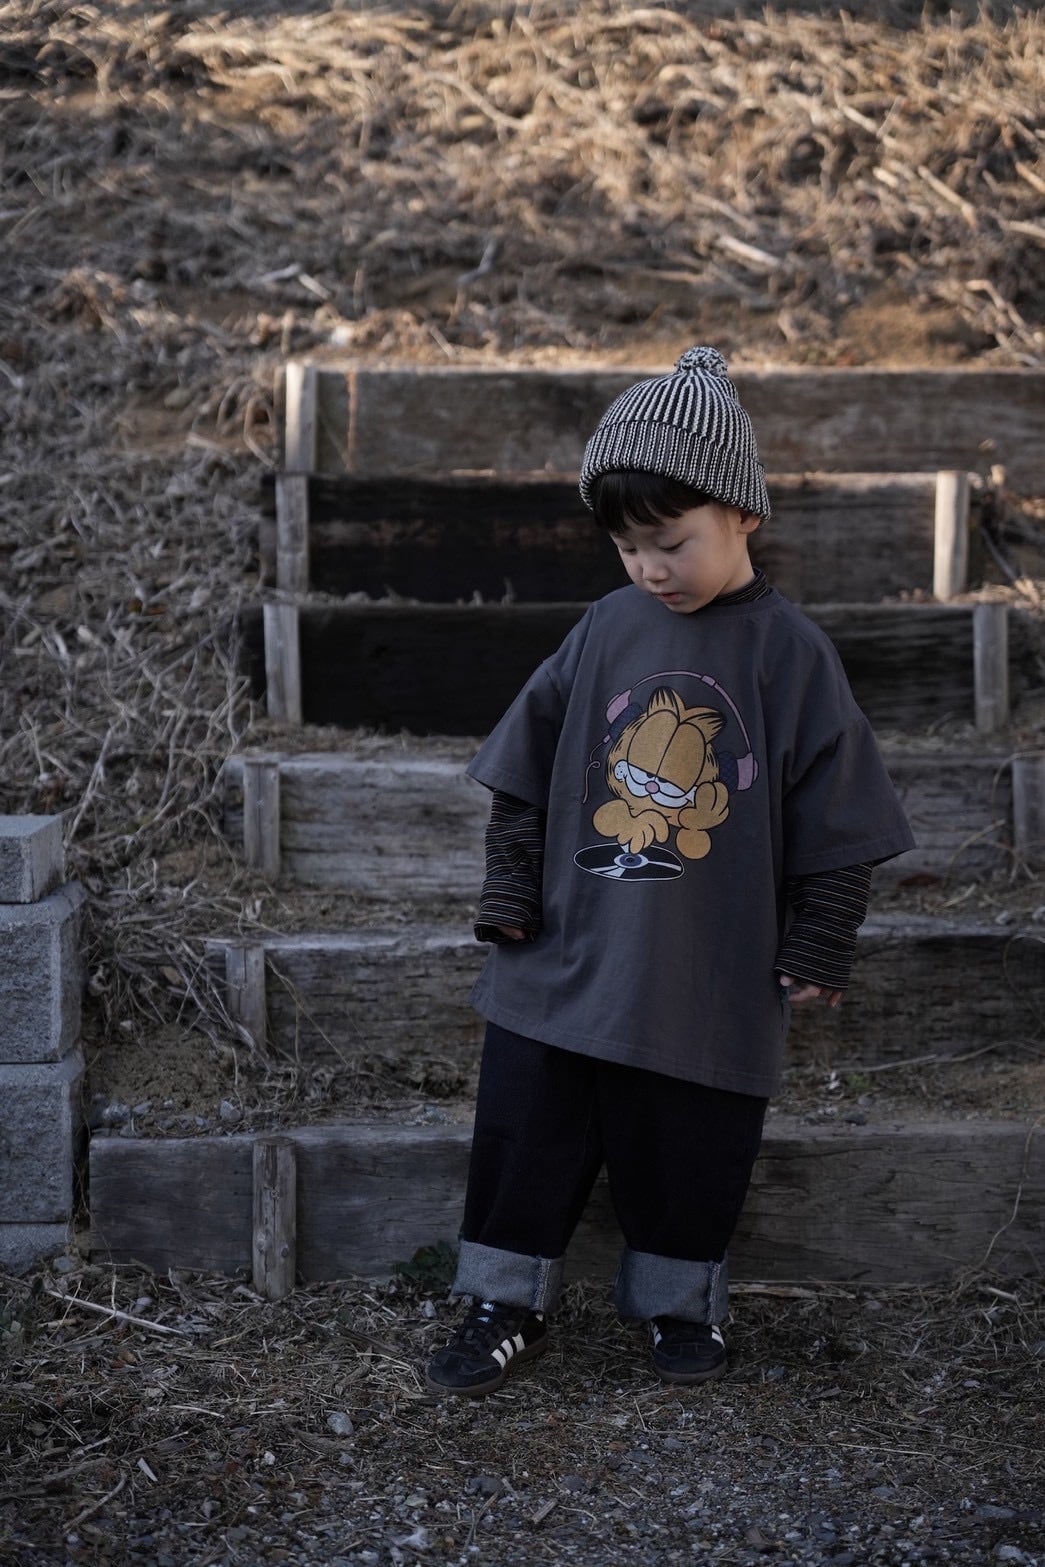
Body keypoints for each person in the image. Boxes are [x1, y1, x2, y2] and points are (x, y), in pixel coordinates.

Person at [424, 346, 914, 1397]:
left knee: (690, 1143)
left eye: (670, 541)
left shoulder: (790, 653)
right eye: (626, 546)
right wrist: (509, 887)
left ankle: (679, 1304)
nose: (648, 567)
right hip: (564, 953)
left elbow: (839, 811)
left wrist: (821, 934)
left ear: (743, 513)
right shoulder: (605, 627)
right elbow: (523, 771)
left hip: (705, 965)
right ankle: (503, 1300)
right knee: (526, 1130)